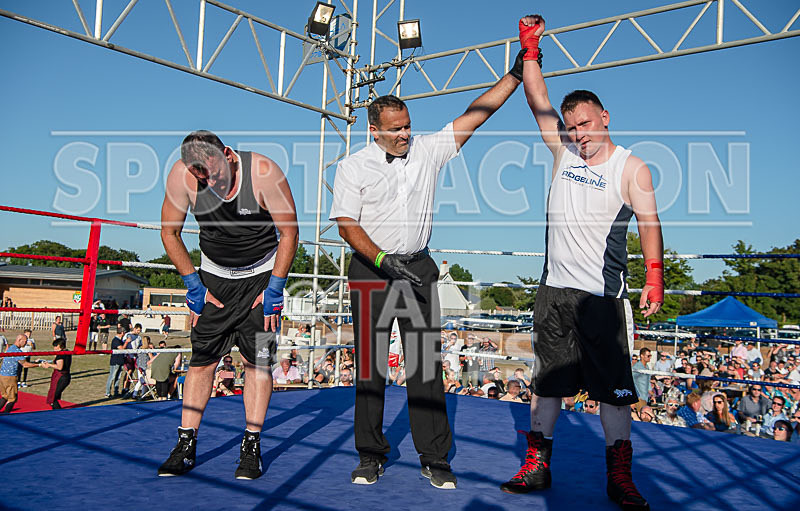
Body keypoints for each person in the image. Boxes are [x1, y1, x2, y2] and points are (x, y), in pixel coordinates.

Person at [330, 43, 525, 489]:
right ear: (374, 129)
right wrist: (381, 259)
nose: (404, 135)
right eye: (395, 129)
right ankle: (370, 454)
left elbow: (477, 114)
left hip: (418, 269)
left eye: (408, 127)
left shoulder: (428, 150)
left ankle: (435, 458)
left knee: (423, 368)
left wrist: (514, 75)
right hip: (371, 270)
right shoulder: (352, 167)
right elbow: (345, 225)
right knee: (369, 367)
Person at [499, 16, 664, 511]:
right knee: (547, 383)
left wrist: (653, 275)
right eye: (573, 126)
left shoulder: (631, 166)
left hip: (602, 298)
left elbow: (649, 223)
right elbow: (537, 100)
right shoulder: (565, 152)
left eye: (586, 123)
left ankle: (620, 478)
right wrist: (531, 49)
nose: (579, 133)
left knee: (613, 394)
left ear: (605, 117)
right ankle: (537, 465)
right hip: (555, 292)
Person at [158, 130, 298, 480]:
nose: (211, 182)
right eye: (201, 176)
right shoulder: (182, 176)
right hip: (214, 280)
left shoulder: (264, 173)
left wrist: (275, 290)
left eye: (215, 173)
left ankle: (251, 444)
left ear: (229, 154)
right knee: (201, 360)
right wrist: (192, 284)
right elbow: (169, 232)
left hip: (262, 281)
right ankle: (185, 443)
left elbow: (290, 232)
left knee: (260, 362)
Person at [0, 335, 40, 413]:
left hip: (2, 375)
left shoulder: (11, 348)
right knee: (12, 399)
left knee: (5, 396)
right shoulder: (17, 351)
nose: (26, 343)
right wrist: (39, 365)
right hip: (10, 377)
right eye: (25, 341)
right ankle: (5, 415)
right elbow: (25, 364)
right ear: (19, 340)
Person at [40, 339, 72, 409]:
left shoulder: (61, 354)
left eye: (55, 346)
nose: (54, 348)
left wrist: (49, 365)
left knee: (52, 398)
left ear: (60, 346)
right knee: (54, 397)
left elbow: (59, 367)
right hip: (65, 376)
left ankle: (58, 413)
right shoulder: (67, 352)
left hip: (61, 377)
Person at [105, 327, 127, 397]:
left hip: (120, 361)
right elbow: (122, 348)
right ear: (122, 333)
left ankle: (116, 391)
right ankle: (107, 392)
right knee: (112, 377)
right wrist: (126, 342)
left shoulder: (120, 340)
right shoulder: (116, 340)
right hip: (115, 361)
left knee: (118, 377)